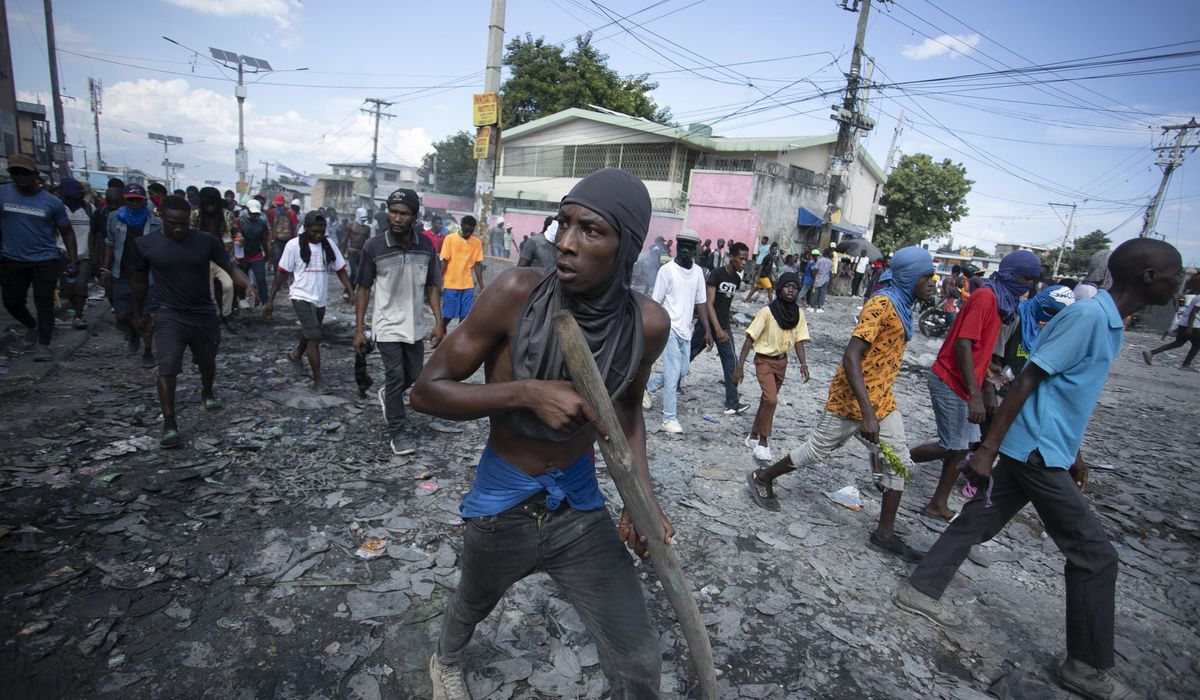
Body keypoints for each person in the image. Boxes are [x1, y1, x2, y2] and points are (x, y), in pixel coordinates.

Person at [410, 167, 671, 700]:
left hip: (578, 505)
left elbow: (626, 414)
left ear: (626, 248)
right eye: (564, 224)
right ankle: (447, 660)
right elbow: (425, 391)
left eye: (591, 231)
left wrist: (639, 499)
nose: (566, 245)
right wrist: (525, 393)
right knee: (473, 600)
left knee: (640, 656)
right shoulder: (515, 293)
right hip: (503, 502)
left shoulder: (647, 324)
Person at [895, 239, 1181, 700]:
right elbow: (1028, 379)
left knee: (976, 523)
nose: (1181, 282)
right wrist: (987, 448)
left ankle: (921, 590)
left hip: (1047, 448)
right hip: (1035, 453)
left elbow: (1066, 394)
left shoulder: (1109, 322)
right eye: (1176, 272)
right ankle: (1086, 668)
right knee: (1095, 556)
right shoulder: (1088, 317)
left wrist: (1075, 452)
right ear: (1148, 275)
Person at [747, 247, 935, 564]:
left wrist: (876, 411)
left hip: (882, 399)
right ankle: (763, 478)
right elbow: (851, 357)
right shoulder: (882, 304)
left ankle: (884, 534)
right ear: (910, 276)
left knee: (899, 460)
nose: (932, 282)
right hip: (853, 399)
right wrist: (868, 415)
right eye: (927, 276)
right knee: (818, 449)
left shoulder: (902, 306)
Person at [909, 250, 1041, 520]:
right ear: (1011, 274)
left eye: (1032, 280)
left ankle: (938, 501)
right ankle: (894, 459)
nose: (1028, 286)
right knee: (952, 446)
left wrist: (990, 376)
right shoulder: (987, 297)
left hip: (964, 381)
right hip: (950, 378)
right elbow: (963, 343)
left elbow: (978, 347)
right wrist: (975, 394)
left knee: (962, 446)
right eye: (1025, 279)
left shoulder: (1003, 303)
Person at [129, 196, 255, 447]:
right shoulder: (145, 244)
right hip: (168, 314)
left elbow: (229, 266)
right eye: (172, 223)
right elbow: (139, 282)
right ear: (160, 217)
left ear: (190, 220)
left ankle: (207, 390)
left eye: (183, 223)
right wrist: (138, 313)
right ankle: (170, 423)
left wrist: (246, 284)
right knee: (168, 365)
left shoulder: (206, 241)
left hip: (203, 313)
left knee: (207, 360)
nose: (178, 228)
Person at [353, 189, 444, 452]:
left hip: (414, 324)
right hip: (387, 324)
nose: (396, 218)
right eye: (393, 212)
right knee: (395, 375)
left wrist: (439, 322)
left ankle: (388, 395)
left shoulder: (426, 246)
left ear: (415, 217)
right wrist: (360, 328)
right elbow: (363, 288)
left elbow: (432, 286)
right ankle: (398, 432)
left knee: (413, 375)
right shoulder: (374, 246)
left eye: (403, 213)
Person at [0, 154, 77, 361]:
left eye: (25, 173)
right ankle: (31, 326)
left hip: (44, 259)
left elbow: (67, 231)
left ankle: (44, 344)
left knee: (44, 302)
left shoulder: (52, 202)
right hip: (12, 258)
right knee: (11, 301)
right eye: (16, 173)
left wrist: (72, 259)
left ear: (35, 174)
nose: (21, 177)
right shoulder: (3, 194)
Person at [266, 210, 352, 390]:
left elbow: (340, 269)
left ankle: (296, 353)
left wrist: (350, 290)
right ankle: (318, 380)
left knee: (311, 330)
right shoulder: (293, 245)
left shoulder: (328, 245)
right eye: (314, 231)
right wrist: (270, 300)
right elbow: (282, 273)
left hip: (319, 298)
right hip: (300, 296)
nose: (318, 235)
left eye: (321, 231)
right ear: (305, 229)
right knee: (314, 335)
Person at [733, 272, 810, 461]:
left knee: (767, 401)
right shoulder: (767, 312)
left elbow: (799, 340)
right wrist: (739, 366)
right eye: (787, 287)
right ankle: (763, 442)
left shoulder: (798, 313)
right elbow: (750, 338)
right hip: (764, 361)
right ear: (779, 289)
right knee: (772, 399)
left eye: (795, 287)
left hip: (782, 362)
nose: (791, 291)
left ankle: (752, 435)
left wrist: (803, 363)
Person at [644, 228, 712, 434]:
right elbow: (655, 303)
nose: (686, 251)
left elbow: (701, 303)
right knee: (673, 375)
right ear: (677, 247)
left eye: (691, 248)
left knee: (682, 371)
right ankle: (669, 418)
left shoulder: (698, 272)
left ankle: (648, 387)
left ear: (695, 250)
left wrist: (707, 330)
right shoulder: (667, 271)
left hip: (687, 330)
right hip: (669, 328)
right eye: (683, 247)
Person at [103, 183, 160, 365]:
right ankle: (133, 332)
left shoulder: (155, 222)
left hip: (145, 276)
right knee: (122, 315)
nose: (134, 204)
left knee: (146, 315)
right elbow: (110, 243)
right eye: (131, 200)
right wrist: (105, 267)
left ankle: (148, 352)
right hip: (122, 272)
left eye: (138, 200)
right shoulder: (114, 218)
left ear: (144, 201)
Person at [706, 242, 750, 415]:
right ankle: (656, 386)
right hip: (708, 326)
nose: (743, 263)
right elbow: (709, 304)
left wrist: (723, 327)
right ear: (731, 257)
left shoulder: (736, 280)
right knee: (686, 358)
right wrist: (716, 329)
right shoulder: (717, 275)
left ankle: (732, 403)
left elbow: (726, 304)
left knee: (731, 361)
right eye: (740, 259)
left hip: (724, 327)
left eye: (746, 260)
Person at [192, 187, 237, 328]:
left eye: (213, 204)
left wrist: (239, 240)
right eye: (207, 205)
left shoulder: (227, 215)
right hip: (201, 259)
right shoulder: (195, 215)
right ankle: (209, 317)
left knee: (228, 286)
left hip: (222, 257)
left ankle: (226, 314)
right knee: (208, 291)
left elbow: (236, 232)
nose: (210, 208)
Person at [56, 178, 94, 330]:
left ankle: (78, 316)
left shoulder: (88, 209)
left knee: (81, 285)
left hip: (83, 255)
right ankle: (76, 310)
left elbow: (94, 232)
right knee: (67, 288)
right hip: (62, 254)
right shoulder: (58, 208)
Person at [1142, 272, 1200, 369]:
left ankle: (1151, 353)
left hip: (1184, 323)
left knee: (1178, 343)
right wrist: (1190, 327)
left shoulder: (1196, 297)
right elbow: (1193, 313)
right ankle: (1185, 365)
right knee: (1196, 345)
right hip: (1192, 325)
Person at [440, 215, 484, 332]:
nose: (468, 233)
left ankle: (456, 341)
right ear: (461, 225)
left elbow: (477, 265)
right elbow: (444, 261)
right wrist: (439, 280)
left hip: (467, 285)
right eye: (466, 229)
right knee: (448, 315)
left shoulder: (477, 243)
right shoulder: (449, 239)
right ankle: (439, 333)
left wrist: (481, 286)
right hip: (451, 283)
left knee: (464, 318)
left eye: (471, 230)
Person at [235, 199, 270, 306]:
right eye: (252, 213)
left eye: (256, 214)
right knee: (242, 281)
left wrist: (267, 254)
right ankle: (242, 301)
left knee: (261, 279)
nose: (254, 216)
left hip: (256, 255)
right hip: (242, 255)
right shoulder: (239, 222)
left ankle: (265, 303)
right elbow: (236, 239)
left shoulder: (262, 224)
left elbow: (264, 240)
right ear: (247, 210)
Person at [267, 193, 298, 270]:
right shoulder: (272, 213)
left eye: (280, 205)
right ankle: (276, 276)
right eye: (277, 205)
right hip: (276, 240)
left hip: (288, 241)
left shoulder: (291, 214)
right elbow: (271, 227)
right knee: (277, 258)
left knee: (287, 260)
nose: (279, 207)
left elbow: (294, 228)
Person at [345, 208, 371, 284]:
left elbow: (368, 241)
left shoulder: (367, 228)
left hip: (360, 253)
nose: (364, 220)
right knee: (354, 272)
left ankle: (351, 291)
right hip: (351, 252)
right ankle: (348, 291)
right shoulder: (350, 226)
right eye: (362, 218)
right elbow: (344, 239)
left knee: (359, 273)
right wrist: (342, 253)